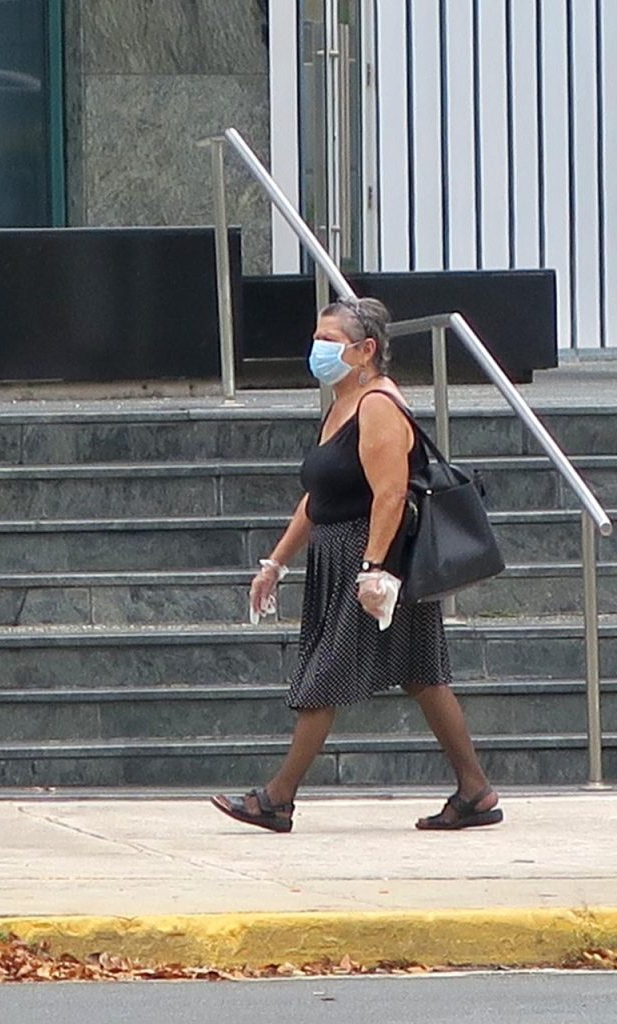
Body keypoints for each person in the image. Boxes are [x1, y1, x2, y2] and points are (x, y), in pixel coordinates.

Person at [210, 296, 502, 833]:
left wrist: (373, 570)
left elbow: (390, 495)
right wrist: (276, 562)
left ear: (365, 351)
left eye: (330, 340)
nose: (318, 349)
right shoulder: (343, 402)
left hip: (370, 559)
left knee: (325, 676)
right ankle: (475, 790)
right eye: (317, 338)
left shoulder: (377, 406)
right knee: (422, 675)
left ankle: (277, 798)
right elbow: (319, 497)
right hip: (342, 552)